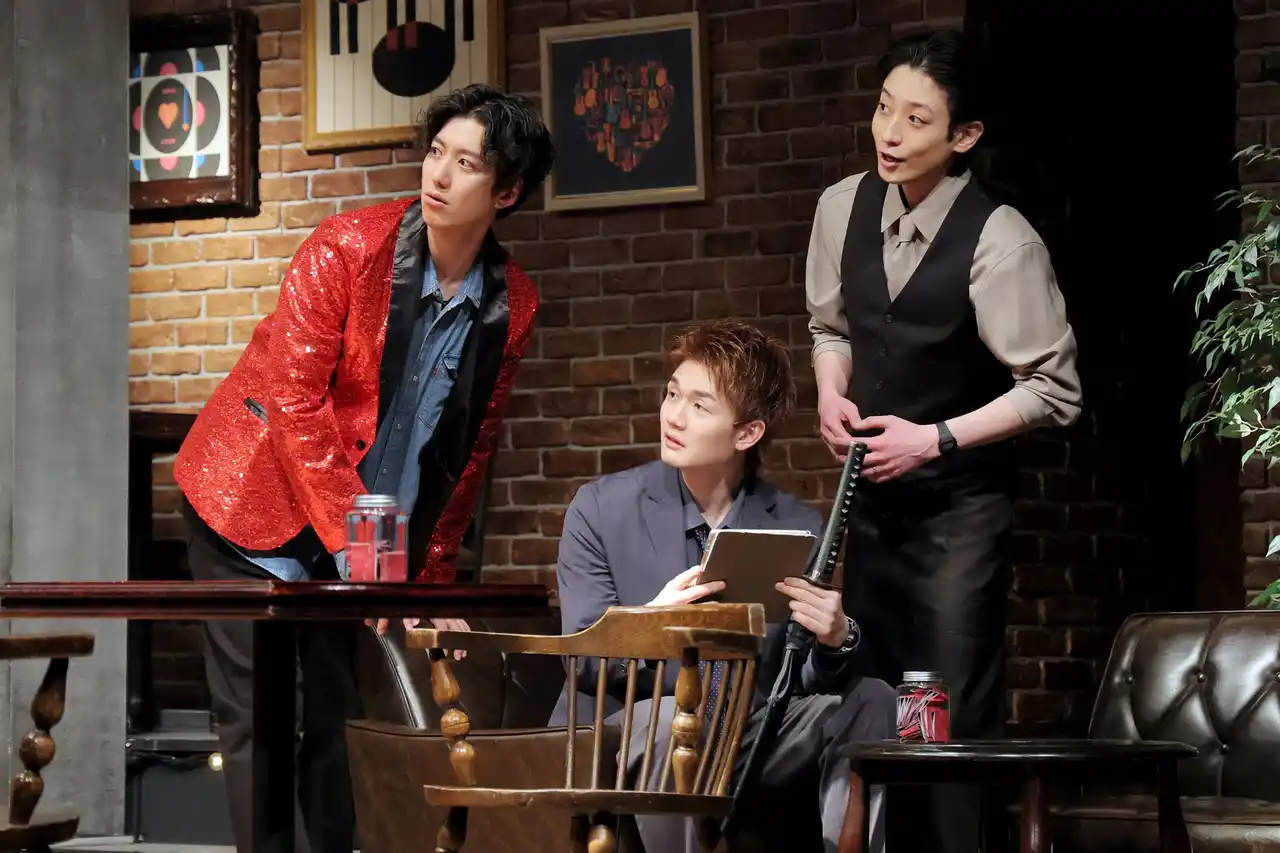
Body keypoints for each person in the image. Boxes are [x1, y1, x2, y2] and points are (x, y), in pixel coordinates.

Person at [173, 83, 555, 853]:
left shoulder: (512, 303)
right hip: (247, 501)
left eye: (466, 163)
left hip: (357, 531)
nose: (438, 173)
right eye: (436, 151)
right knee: (259, 716)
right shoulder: (347, 247)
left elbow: (466, 454)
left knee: (338, 712)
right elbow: (296, 403)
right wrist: (367, 554)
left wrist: (429, 583)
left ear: (506, 191)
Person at [805, 29, 1083, 853]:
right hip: (872, 509)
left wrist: (935, 439)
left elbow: (1053, 389)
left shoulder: (1000, 239)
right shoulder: (841, 207)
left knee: (945, 711)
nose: (890, 134)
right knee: (875, 701)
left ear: (964, 135)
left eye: (917, 119)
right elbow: (830, 326)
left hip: (958, 519)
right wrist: (829, 389)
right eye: (883, 109)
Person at [551, 319, 896, 853]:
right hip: (626, 725)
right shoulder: (599, 509)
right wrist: (649, 625)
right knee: (676, 720)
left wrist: (836, 638)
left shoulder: (794, 527)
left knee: (874, 698)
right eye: (672, 395)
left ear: (746, 434)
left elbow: (798, 677)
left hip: (748, 730)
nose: (674, 416)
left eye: (699, 405)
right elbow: (582, 658)